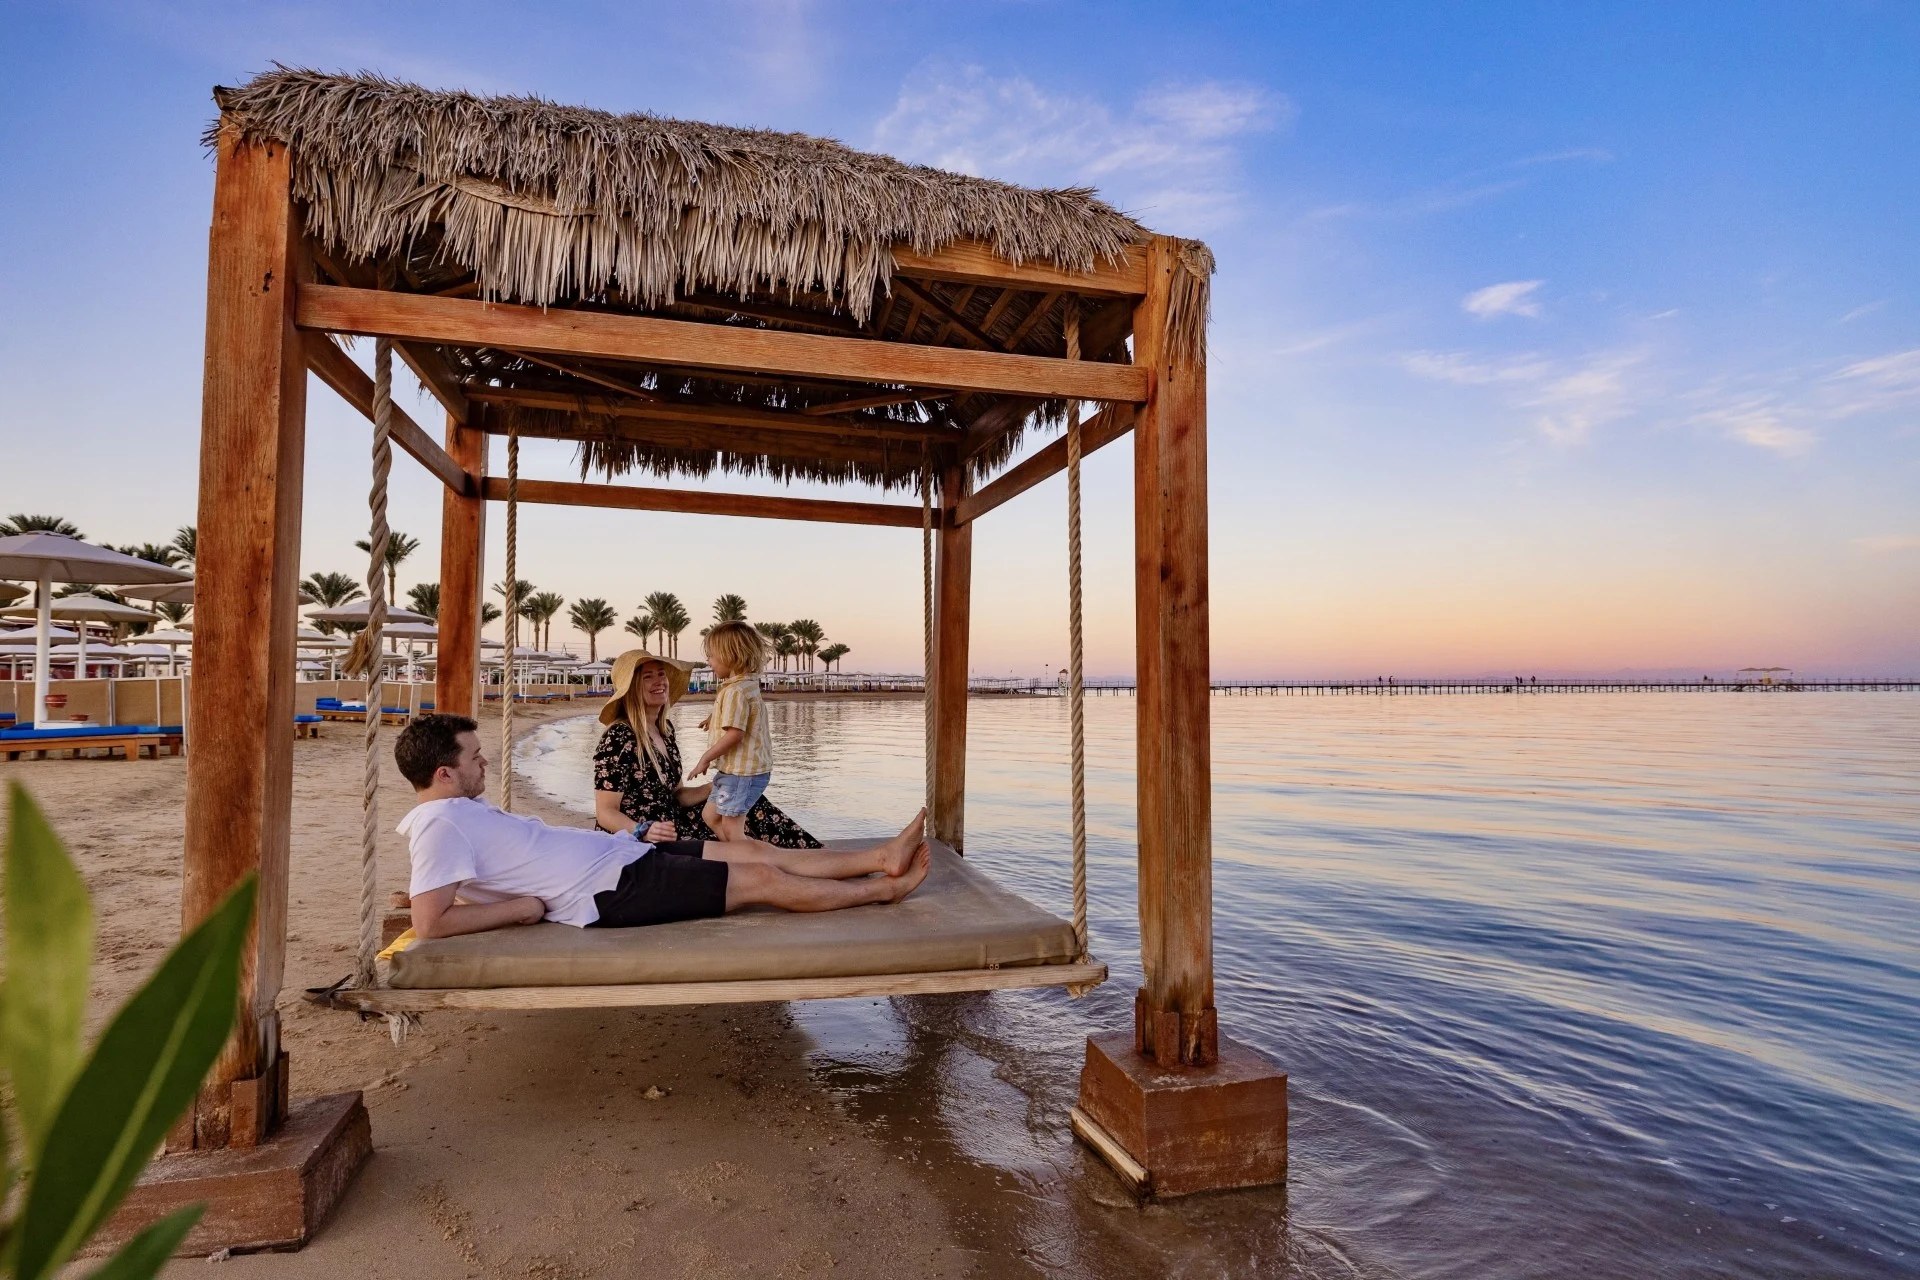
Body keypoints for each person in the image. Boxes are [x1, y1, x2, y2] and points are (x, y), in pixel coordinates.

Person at [393, 713, 928, 939]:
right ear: (444, 773)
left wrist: (449, 892)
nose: (484, 762)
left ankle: (879, 858)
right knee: (762, 882)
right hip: (610, 890)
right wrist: (524, 909)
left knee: (757, 852)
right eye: (475, 757)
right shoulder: (439, 824)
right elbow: (431, 923)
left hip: (624, 856)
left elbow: (469, 877)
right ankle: (883, 891)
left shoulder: (458, 813)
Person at [592, 647, 819, 847]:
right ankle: (780, 858)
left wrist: (714, 787)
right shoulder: (618, 736)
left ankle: (808, 853)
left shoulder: (665, 730)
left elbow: (676, 795)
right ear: (631, 689)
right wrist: (642, 830)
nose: (659, 681)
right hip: (645, 836)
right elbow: (605, 812)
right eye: (647, 677)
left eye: (661, 674)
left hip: (674, 820)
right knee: (730, 823)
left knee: (738, 798)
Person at [691, 620, 773, 842]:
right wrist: (714, 718)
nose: (709, 662)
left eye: (711, 656)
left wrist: (705, 758)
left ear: (730, 656)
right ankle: (738, 851)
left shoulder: (735, 691)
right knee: (710, 816)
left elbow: (735, 734)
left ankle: (745, 856)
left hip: (741, 773)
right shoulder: (746, 685)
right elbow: (743, 714)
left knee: (732, 826)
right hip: (736, 771)